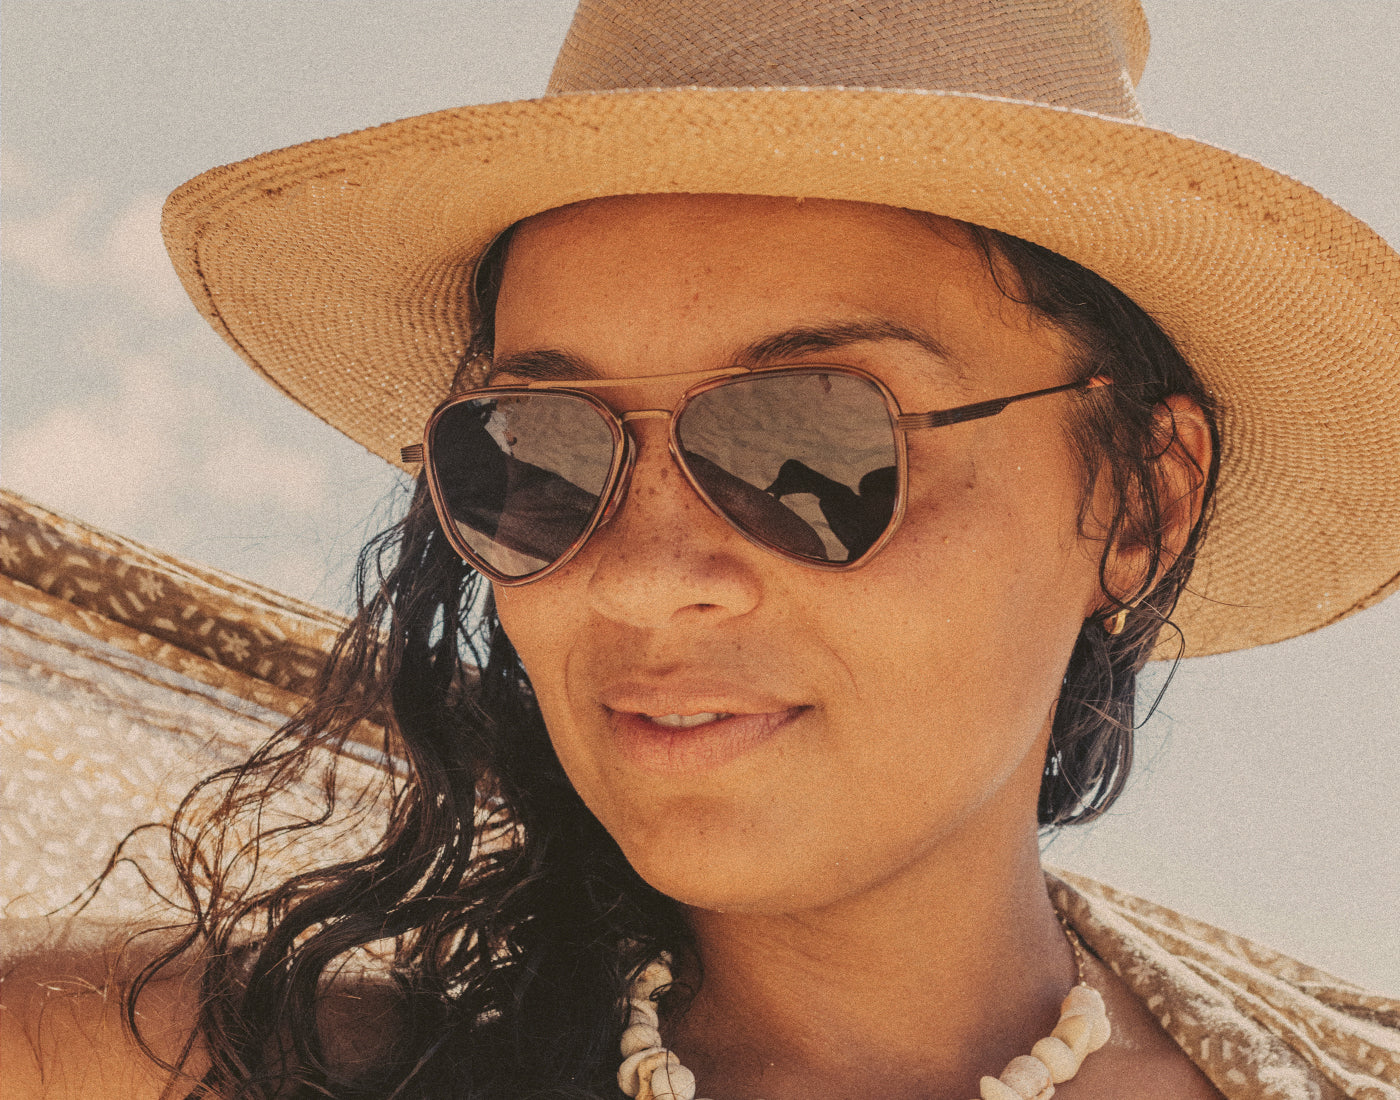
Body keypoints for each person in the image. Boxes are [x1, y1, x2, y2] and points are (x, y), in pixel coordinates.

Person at [4, 2, 1398, 1098]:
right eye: (538, 456)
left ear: (1143, 498)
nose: (643, 571)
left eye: (815, 444)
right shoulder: (147, 1063)